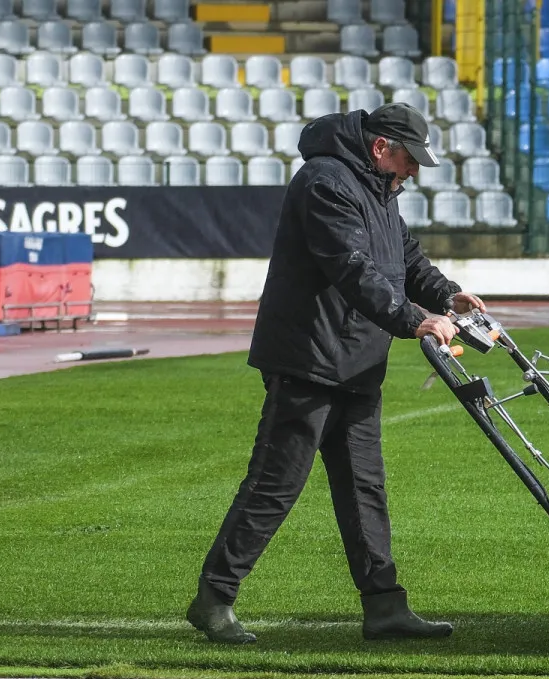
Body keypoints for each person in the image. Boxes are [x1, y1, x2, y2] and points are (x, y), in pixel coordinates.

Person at [189, 102, 482, 645]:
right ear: (380, 148)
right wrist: (415, 319)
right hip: (309, 359)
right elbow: (352, 269)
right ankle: (214, 598)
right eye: (409, 159)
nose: (414, 171)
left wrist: (446, 295)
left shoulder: (379, 188)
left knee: (363, 487)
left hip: (356, 361)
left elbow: (404, 258)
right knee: (276, 484)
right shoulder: (325, 182)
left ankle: (385, 606)